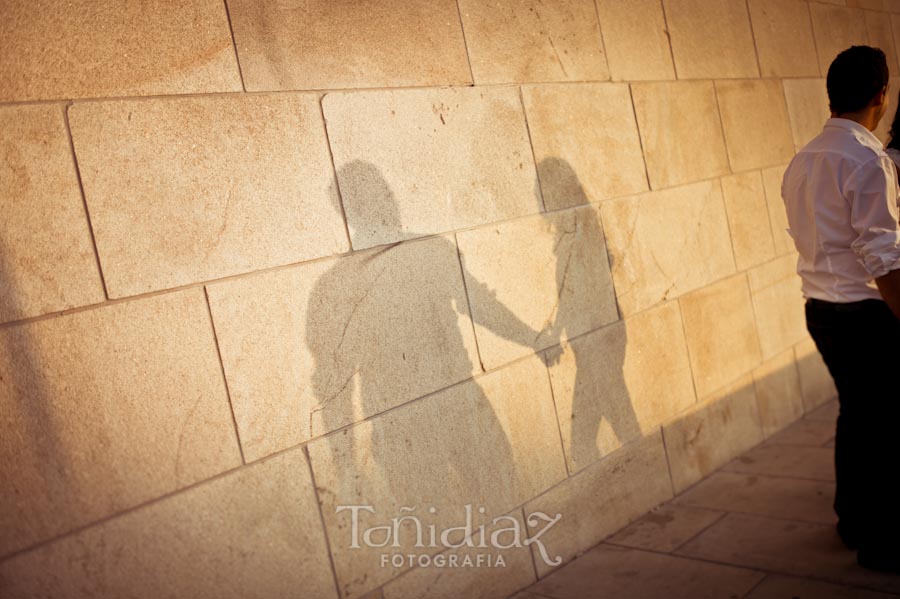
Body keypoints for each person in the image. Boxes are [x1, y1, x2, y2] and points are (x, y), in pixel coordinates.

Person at [782, 45, 900, 574]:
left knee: (859, 416)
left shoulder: (802, 157)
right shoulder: (866, 158)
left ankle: (852, 520)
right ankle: (880, 543)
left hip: (821, 310)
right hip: (865, 315)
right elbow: (884, 256)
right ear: (881, 94)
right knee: (884, 428)